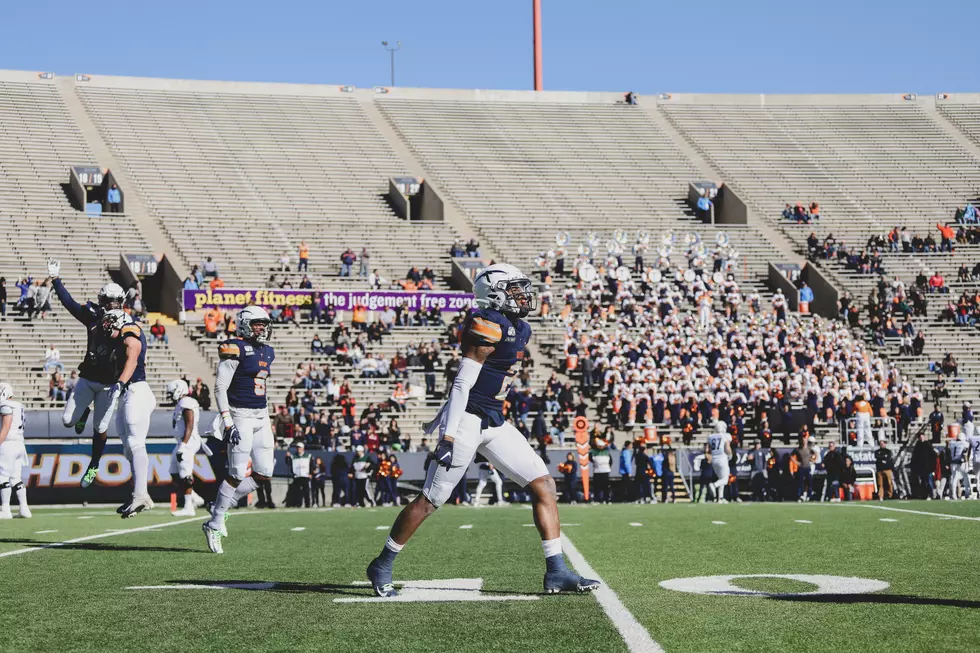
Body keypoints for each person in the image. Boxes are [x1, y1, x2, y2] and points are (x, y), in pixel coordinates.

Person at [366, 263, 597, 597]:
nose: (523, 295)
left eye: (522, 288)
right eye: (514, 289)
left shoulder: (521, 327)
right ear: (495, 293)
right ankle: (383, 563)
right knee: (431, 500)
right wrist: (447, 434)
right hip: (466, 419)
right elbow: (462, 382)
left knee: (544, 485)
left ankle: (557, 572)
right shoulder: (487, 323)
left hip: (493, 418)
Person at [47, 259, 126, 488]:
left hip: (109, 385)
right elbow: (70, 303)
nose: (111, 306)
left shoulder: (128, 324)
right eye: (108, 301)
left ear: (121, 303)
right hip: (88, 379)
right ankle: (83, 413)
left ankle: (93, 465)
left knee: (100, 429)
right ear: (102, 301)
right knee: (66, 421)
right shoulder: (93, 316)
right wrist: (55, 280)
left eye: (115, 302)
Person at [203, 306, 275, 554]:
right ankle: (214, 522)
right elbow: (220, 388)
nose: (263, 328)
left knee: (264, 473)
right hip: (240, 415)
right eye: (258, 324)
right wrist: (228, 421)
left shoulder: (268, 351)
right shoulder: (235, 348)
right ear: (244, 324)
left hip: (261, 415)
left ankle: (221, 507)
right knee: (235, 474)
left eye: (265, 324)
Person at [102, 309, 157, 518]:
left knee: (135, 443)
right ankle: (139, 494)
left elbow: (133, 354)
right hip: (128, 392)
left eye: (109, 322)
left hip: (136, 389)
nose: (107, 326)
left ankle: (141, 494)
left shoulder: (129, 329)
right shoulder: (116, 342)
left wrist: (120, 382)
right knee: (127, 447)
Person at [167, 380, 207, 516]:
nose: (170, 395)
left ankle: (189, 507)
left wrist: (183, 445)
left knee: (185, 474)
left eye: (171, 392)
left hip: (188, 441)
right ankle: (194, 496)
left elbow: (189, 424)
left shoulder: (186, 402)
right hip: (182, 441)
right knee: (173, 471)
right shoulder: (181, 403)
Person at [0, 382, 30, 519]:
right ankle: (24, 508)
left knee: (2, 476)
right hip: (19, 443)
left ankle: (5, 509)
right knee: (16, 478)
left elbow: (6, 427)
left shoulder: (6, 405)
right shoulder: (19, 405)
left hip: (8, 443)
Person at [708, 420, 732, 503]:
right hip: (722, 458)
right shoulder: (725, 436)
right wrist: (730, 455)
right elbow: (727, 447)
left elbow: (709, 448)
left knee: (721, 478)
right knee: (725, 479)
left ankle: (720, 498)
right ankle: (713, 485)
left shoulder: (711, 437)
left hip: (714, 459)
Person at [948, 433, 972, 499]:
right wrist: (967, 464)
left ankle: (953, 494)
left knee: (954, 479)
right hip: (960, 463)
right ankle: (967, 493)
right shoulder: (965, 444)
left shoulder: (952, 443)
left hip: (952, 462)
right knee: (965, 477)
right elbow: (964, 454)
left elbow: (949, 453)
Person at [290, 442, 313, 508]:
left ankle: (307, 504)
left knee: (306, 491)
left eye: (300, 447)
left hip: (305, 475)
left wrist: (310, 473)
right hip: (297, 476)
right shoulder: (293, 456)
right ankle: (298, 504)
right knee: (297, 491)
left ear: (303, 448)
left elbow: (311, 465)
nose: (298, 449)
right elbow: (289, 464)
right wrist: (287, 457)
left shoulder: (308, 456)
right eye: (297, 447)